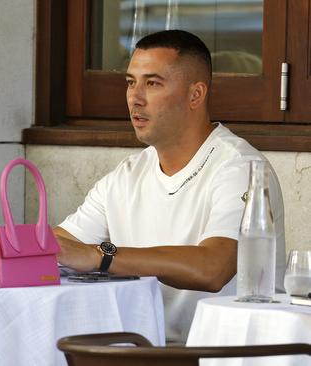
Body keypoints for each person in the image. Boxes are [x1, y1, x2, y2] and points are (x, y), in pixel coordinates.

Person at [54, 30, 285, 343]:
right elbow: (60, 244)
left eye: (152, 83)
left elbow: (212, 268)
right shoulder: (127, 175)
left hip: (222, 356)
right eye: (130, 82)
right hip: (144, 350)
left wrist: (102, 257)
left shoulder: (240, 167)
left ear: (195, 95)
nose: (135, 97)